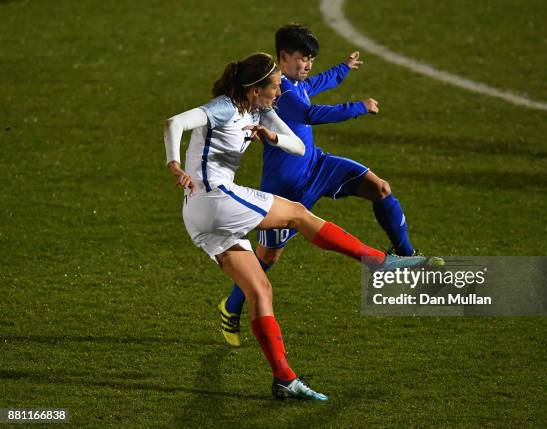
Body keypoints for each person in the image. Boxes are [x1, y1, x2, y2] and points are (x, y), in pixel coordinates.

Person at [164, 52, 435, 401]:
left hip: (200, 217)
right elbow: (174, 122)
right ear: (255, 88)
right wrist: (173, 162)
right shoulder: (226, 107)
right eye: (275, 87)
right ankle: (381, 263)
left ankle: (284, 379)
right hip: (214, 198)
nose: (280, 92)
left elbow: (295, 143)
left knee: (260, 291)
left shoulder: (259, 111)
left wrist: (270, 137)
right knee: (296, 213)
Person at [220, 25, 443, 347]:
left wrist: (343, 69)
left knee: (379, 188)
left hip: (317, 166)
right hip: (286, 189)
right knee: (267, 258)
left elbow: (316, 83)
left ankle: (406, 255)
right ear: (283, 57)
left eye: (311, 59)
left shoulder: (295, 83)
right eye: (302, 58)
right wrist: (358, 107)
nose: (307, 65)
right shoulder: (279, 94)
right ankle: (231, 307)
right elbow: (310, 113)